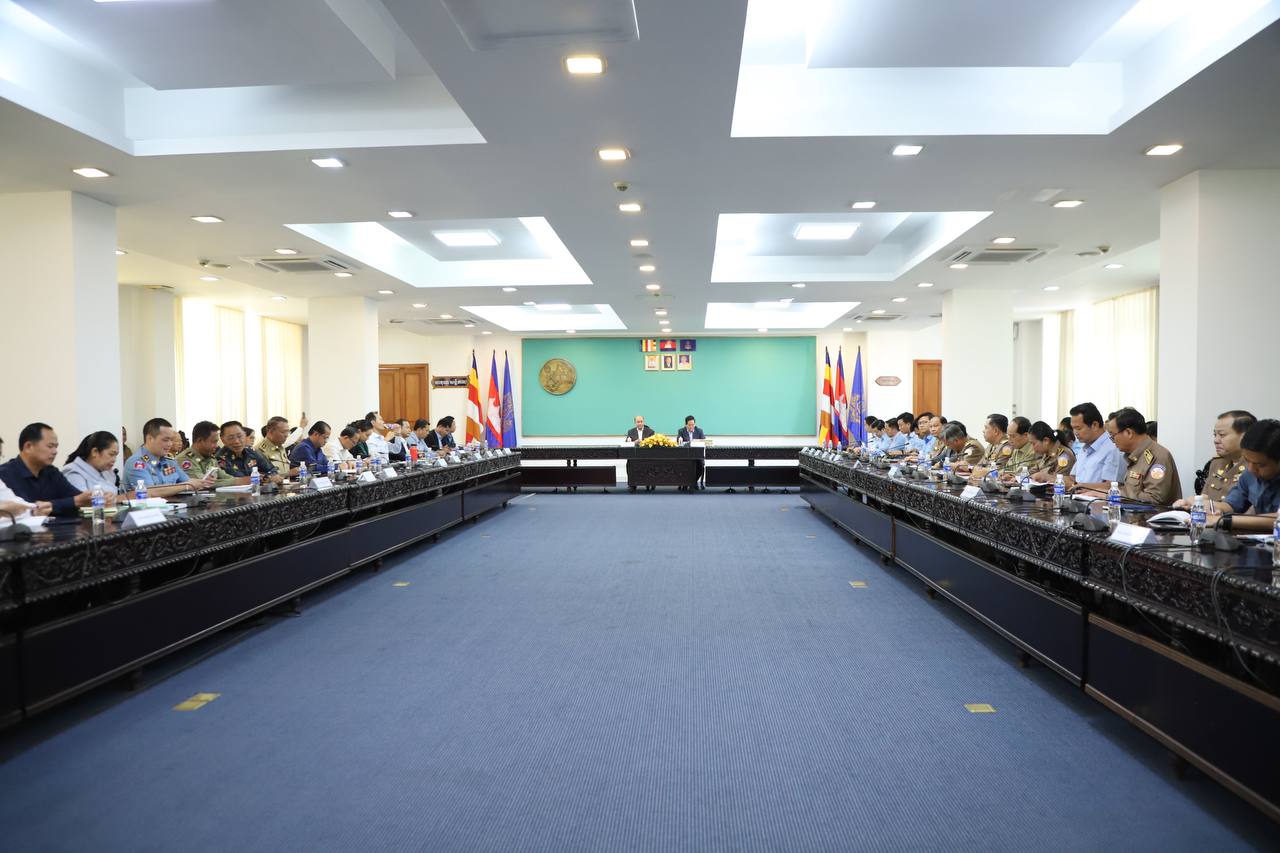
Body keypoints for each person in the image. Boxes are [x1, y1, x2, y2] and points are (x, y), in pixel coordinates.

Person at [1082, 407, 1181, 505]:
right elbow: (1131, 491)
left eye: (1112, 436)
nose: (1112, 441)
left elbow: (1155, 498)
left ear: (1128, 433)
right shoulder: (1135, 456)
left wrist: (1111, 495)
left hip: (1152, 515)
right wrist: (1103, 492)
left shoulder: (1157, 457)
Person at [1201, 419, 1280, 533]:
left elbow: (1278, 518)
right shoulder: (1249, 475)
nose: (1251, 469)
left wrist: (1226, 520)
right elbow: (1232, 505)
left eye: (1259, 465)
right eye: (1247, 461)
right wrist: (1210, 508)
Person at [0, 423, 88, 516]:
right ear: (28, 446)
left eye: (56, 447)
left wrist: (53, 505)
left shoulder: (51, 471)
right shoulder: (5, 473)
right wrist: (69, 503)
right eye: (50, 446)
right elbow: (26, 508)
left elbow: (81, 499)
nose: (55, 452)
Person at [1175, 410, 1255, 506]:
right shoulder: (1217, 463)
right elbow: (1205, 496)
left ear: (1244, 436)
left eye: (1222, 435)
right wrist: (1189, 502)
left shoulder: (1256, 466)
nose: (1216, 440)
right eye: (1215, 435)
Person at [122, 417, 204, 497]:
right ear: (150, 439)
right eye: (165, 440)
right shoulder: (137, 463)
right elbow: (150, 492)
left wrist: (203, 482)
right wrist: (185, 486)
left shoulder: (169, 461)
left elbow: (187, 481)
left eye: (171, 440)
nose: (170, 444)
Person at [1067, 402, 1125, 490]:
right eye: (1073, 428)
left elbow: (1112, 486)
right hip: (1077, 497)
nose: (1075, 433)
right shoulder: (1084, 448)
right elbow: (1073, 478)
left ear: (1094, 425)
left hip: (1097, 499)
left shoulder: (1113, 448)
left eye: (1078, 428)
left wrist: (1082, 486)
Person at [174, 421, 236, 486]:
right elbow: (201, 483)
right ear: (199, 440)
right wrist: (235, 482)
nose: (216, 446)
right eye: (214, 442)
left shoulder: (210, 458)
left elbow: (224, 476)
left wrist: (238, 481)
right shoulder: (185, 459)